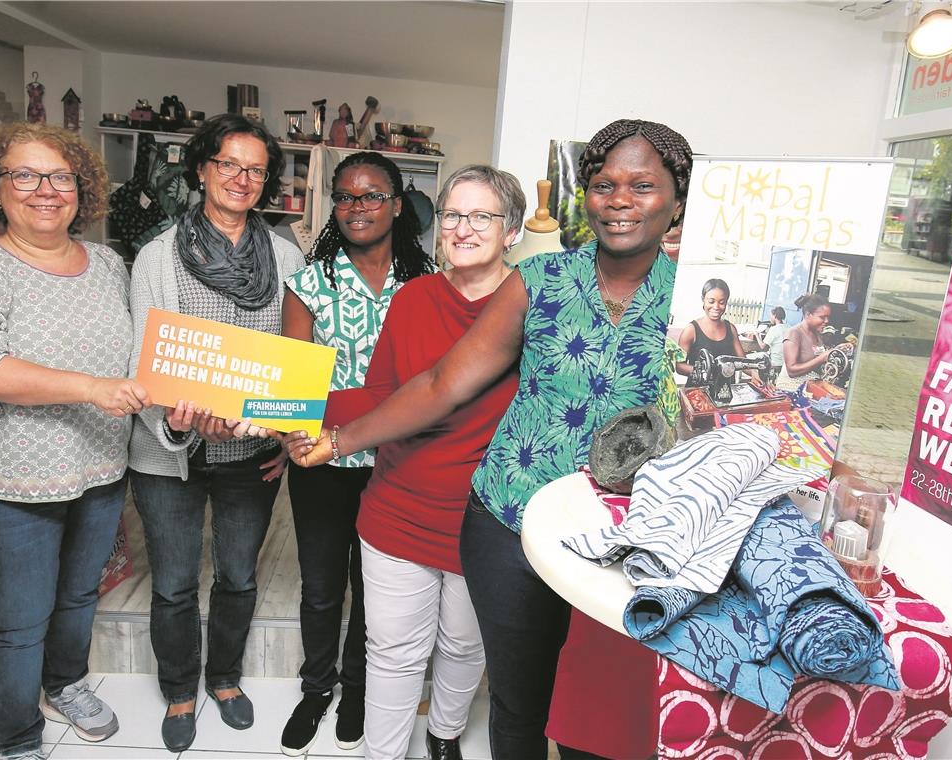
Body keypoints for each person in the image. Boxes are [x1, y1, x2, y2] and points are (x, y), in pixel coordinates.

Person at [277, 119, 691, 759]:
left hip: (629, 534)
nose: (619, 199)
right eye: (604, 184)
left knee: (598, 710)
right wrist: (320, 430)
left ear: (676, 199)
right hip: (508, 519)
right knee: (516, 699)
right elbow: (436, 383)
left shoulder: (692, 296)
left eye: (642, 185)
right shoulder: (541, 282)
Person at [0, 122, 148, 760]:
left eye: (60, 177)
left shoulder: (107, 263)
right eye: (24, 175)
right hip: (6, 484)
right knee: (18, 621)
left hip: (100, 471)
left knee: (79, 595)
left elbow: (140, 361)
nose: (45, 190)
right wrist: (94, 389)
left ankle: (67, 683)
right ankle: (18, 735)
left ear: (82, 189)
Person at [285, 165, 524, 760]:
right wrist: (279, 409)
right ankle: (381, 754)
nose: (462, 228)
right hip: (397, 510)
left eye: (482, 216)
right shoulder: (414, 298)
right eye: (451, 215)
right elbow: (381, 393)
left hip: (483, 520)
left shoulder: (535, 309)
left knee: (465, 646)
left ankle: (444, 737)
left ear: (512, 230)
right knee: (393, 651)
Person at [126, 114, 305, 753]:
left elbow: (295, 355)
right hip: (165, 452)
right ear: (201, 169)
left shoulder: (286, 256)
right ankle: (180, 689)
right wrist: (170, 419)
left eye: (255, 169)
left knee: (237, 575)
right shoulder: (157, 256)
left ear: (267, 182)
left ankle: (223, 678)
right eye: (228, 163)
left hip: (249, 455)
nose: (241, 178)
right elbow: (140, 359)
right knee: (173, 581)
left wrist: (284, 435)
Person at [280, 151, 435, 756]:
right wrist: (289, 435)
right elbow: (294, 382)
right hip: (322, 461)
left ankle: (359, 690)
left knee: (376, 588)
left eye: (372, 196)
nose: (357, 207)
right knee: (321, 585)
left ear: (397, 205)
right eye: (345, 197)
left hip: (398, 464)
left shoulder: (426, 284)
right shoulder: (309, 283)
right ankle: (316, 688)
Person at [675, 278, 748, 382]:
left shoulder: (731, 329)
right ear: (703, 300)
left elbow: (743, 361)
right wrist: (707, 372)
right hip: (698, 393)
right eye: (711, 301)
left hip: (725, 392)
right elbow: (679, 366)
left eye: (722, 302)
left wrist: (755, 372)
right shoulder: (691, 330)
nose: (716, 307)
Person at [783, 293, 833, 380]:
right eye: (822, 317)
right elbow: (791, 371)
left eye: (828, 317)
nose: (826, 321)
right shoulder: (794, 333)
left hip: (812, 384)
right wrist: (822, 358)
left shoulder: (817, 334)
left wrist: (836, 351)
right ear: (808, 315)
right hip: (792, 388)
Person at [756, 306, 789, 382]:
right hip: (785, 364)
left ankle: (759, 381)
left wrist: (757, 334)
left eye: (771, 316)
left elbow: (762, 347)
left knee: (754, 358)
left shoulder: (773, 329)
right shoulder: (789, 327)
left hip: (775, 364)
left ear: (774, 316)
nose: (770, 318)